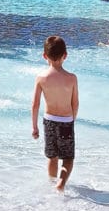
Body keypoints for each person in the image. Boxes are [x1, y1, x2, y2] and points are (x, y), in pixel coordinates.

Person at [31, 35, 79, 192]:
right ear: (65, 55)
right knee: (68, 158)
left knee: (52, 156)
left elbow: (35, 104)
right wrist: (73, 119)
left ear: (45, 56)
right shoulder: (71, 78)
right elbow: (75, 103)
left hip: (49, 120)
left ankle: (51, 183)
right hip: (66, 120)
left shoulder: (41, 78)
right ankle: (61, 183)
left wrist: (35, 127)